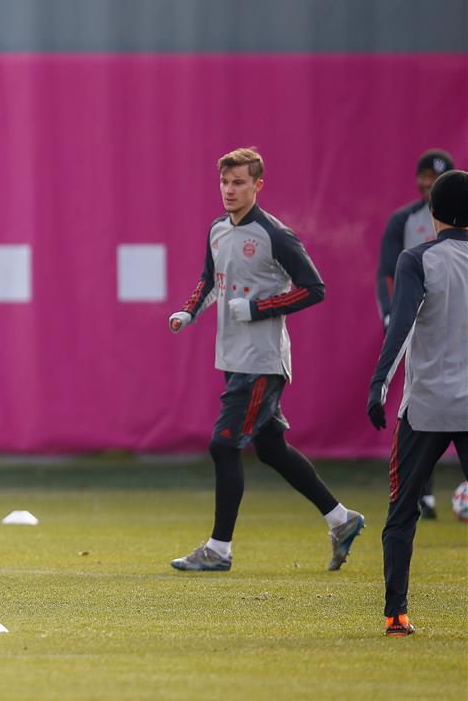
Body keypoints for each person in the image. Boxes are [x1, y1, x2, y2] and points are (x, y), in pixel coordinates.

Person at [167, 148, 363, 573]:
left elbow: (314, 288)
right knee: (271, 449)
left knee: (223, 445)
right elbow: (209, 278)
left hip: (263, 360)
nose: (229, 190)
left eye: (239, 182)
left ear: (258, 185)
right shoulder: (217, 230)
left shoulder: (276, 234)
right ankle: (341, 519)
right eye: (224, 182)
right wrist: (189, 310)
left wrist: (259, 309)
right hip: (233, 356)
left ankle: (219, 550)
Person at [366, 169, 468, 636]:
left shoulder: (418, 259)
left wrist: (378, 384)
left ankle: (396, 612)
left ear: (433, 214)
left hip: (426, 406)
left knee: (403, 510)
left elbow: (400, 325)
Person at [375, 148, 455, 518]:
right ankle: (421, 491)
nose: (428, 183)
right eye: (425, 175)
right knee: (421, 399)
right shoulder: (404, 220)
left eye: (436, 178)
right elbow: (386, 274)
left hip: (457, 319)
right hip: (418, 323)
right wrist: (391, 316)